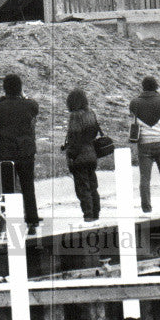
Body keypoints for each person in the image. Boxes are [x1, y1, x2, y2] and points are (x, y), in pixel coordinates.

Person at [0, 73, 41, 233]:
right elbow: (35, 107)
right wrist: (23, 96)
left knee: (9, 189)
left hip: (6, 153)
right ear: (20, 88)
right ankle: (32, 221)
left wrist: (5, 97)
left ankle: (13, 221)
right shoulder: (28, 105)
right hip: (25, 152)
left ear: (4, 89)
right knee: (28, 186)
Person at [129, 75, 160, 215]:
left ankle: (146, 209)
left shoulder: (135, 103)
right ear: (156, 86)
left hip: (144, 143)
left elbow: (133, 118)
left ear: (143, 87)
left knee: (145, 178)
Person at [62, 89, 101, 222]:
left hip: (79, 156)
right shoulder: (91, 113)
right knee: (93, 186)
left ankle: (88, 215)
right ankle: (96, 213)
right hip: (91, 153)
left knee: (82, 187)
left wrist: (71, 155)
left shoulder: (75, 116)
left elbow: (74, 137)